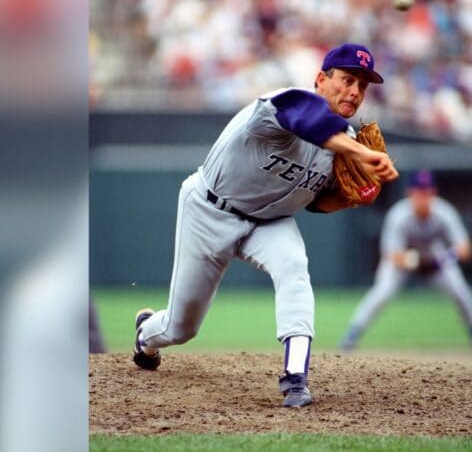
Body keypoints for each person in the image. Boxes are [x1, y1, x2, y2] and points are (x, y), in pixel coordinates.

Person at [131, 43, 399, 408]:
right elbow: (306, 120)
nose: (355, 91)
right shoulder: (284, 101)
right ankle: (146, 335)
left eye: (363, 86)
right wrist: (362, 153)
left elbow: (318, 204)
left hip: (269, 223)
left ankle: (295, 379)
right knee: (181, 329)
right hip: (210, 211)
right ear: (321, 79)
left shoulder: (348, 145)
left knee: (295, 268)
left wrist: (353, 196)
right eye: (347, 79)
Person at [340, 170, 472, 352]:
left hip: (435, 258)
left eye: (426, 192)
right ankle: (352, 334)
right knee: (382, 292)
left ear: (433, 193)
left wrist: (441, 261)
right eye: (418, 191)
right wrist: (417, 263)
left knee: (460, 291)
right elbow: (391, 254)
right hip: (404, 259)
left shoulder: (444, 212)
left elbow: (465, 249)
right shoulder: (399, 215)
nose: (422, 197)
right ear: (410, 193)